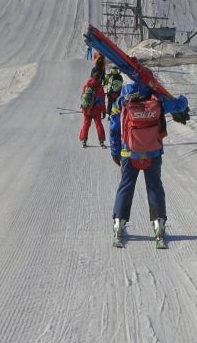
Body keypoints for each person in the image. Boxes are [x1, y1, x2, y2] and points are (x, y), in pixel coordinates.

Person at [110, 80, 190, 243]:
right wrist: (183, 98)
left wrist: (115, 151)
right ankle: (158, 224)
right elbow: (180, 105)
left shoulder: (122, 100)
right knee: (154, 186)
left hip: (129, 153)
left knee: (126, 186)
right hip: (153, 153)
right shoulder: (158, 100)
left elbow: (114, 128)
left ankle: (119, 223)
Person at [79, 69, 106, 147]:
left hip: (86, 110)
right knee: (98, 125)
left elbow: (83, 97)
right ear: (99, 79)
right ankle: (101, 141)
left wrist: (83, 107)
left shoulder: (86, 86)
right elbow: (102, 101)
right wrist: (104, 111)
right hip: (96, 110)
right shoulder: (100, 88)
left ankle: (84, 140)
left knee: (86, 124)